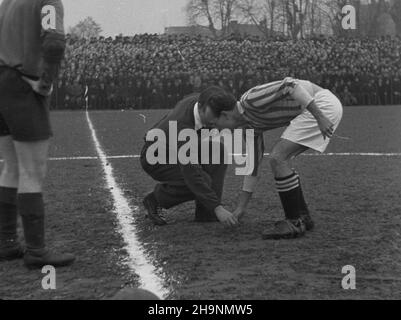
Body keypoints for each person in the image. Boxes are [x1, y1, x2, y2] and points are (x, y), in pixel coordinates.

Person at [214, 77, 343, 239]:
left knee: (278, 158)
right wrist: (240, 208)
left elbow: (290, 85)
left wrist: (319, 116)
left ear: (225, 115)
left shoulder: (250, 99)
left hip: (321, 105)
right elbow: (252, 167)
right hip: (319, 108)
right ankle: (303, 216)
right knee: (282, 159)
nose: (218, 130)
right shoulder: (249, 128)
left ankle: (294, 221)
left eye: (216, 124)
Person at [0, 0, 75, 268]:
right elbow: (54, 42)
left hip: (2, 83)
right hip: (24, 86)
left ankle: (7, 242)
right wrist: (46, 82)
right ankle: (36, 251)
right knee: (32, 171)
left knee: (11, 167)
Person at [140, 87, 238, 228]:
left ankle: (206, 213)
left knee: (218, 151)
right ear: (201, 107)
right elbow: (191, 172)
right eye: (215, 115)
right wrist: (218, 208)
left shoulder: (200, 100)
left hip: (175, 146)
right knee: (201, 179)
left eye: (222, 115)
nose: (218, 119)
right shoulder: (181, 127)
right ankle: (155, 199)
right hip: (155, 157)